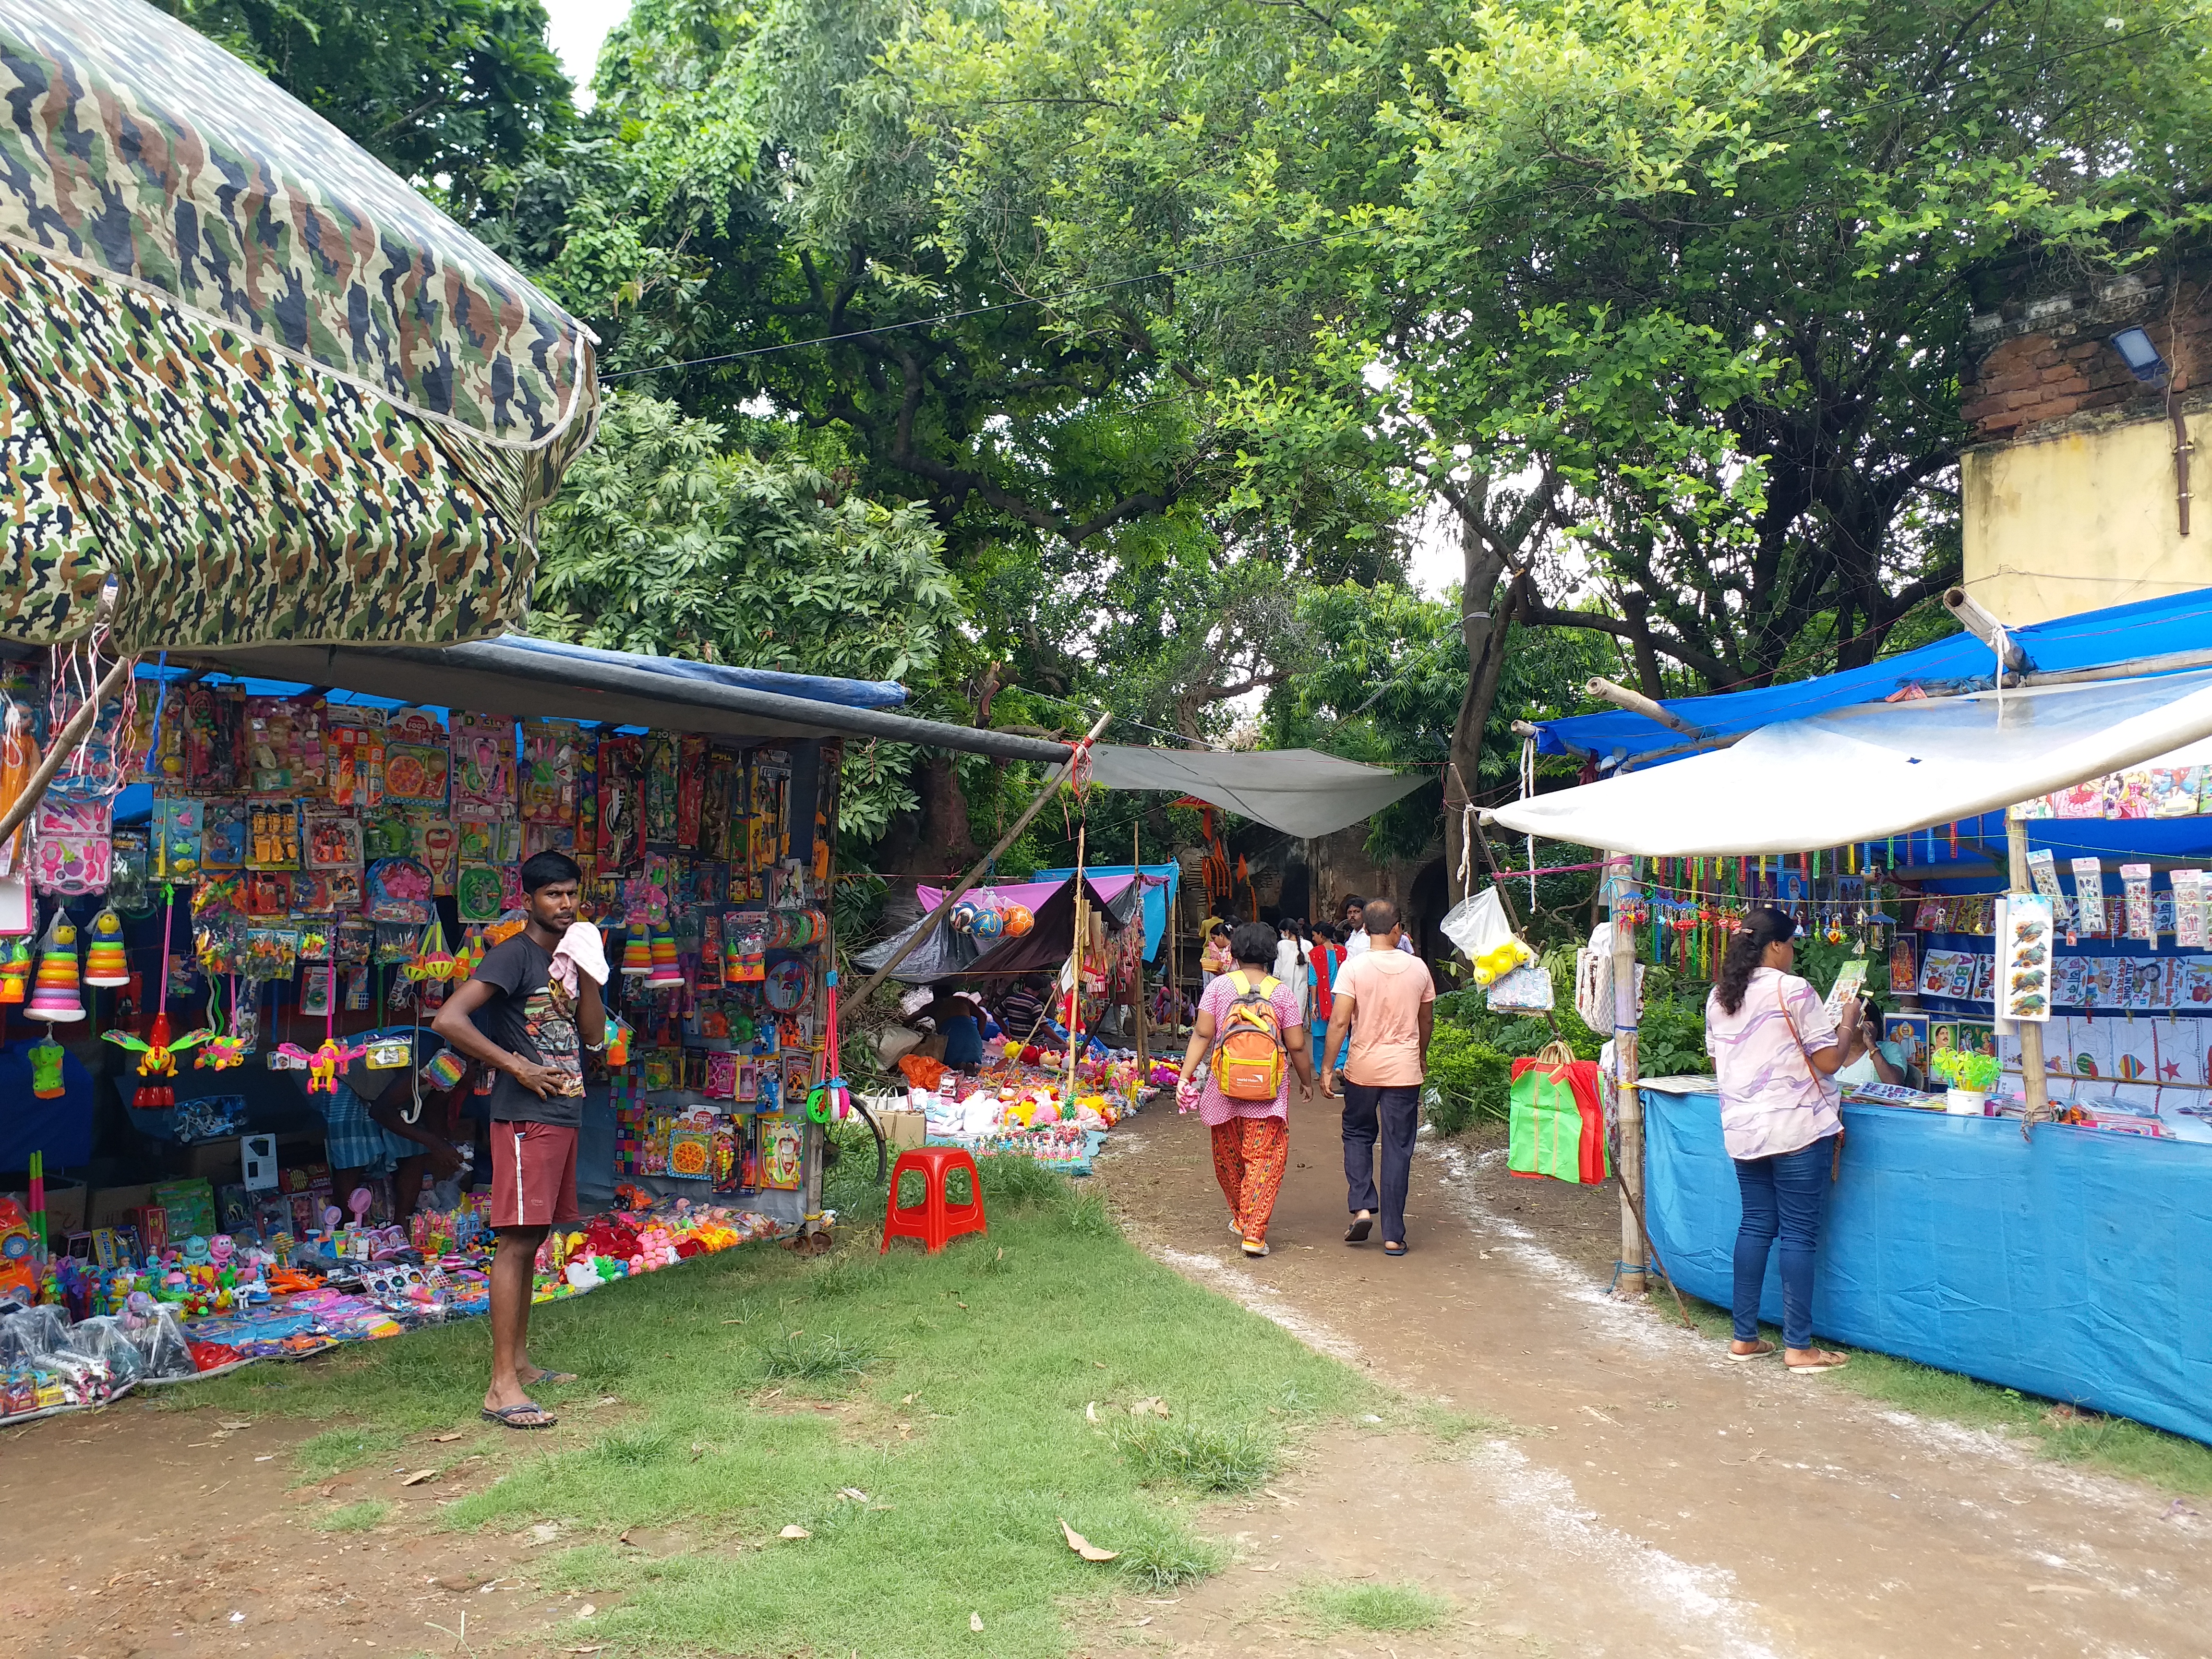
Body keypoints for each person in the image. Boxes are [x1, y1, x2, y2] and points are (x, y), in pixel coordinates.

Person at [433, 851, 605, 1429]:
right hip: (524, 1116)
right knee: (514, 1242)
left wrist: (591, 970)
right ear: (528, 899)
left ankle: (522, 1365)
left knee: (533, 1240)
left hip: (563, 1113)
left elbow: (591, 1035)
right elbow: (449, 1020)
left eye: (571, 895)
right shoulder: (513, 954)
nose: (565, 905)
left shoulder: (567, 957)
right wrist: (518, 1068)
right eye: (554, 895)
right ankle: (500, 1387)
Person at [1704, 904, 1870, 1376]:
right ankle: (1799, 1347)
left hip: (1743, 1129)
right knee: (1798, 1233)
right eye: (1792, 943)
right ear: (1776, 945)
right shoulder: (1793, 990)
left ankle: (1744, 1337)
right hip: (1796, 1128)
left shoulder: (1719, 997)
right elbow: (1831, 1062)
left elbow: (1721, 1061)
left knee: (1755, 1225)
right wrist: (1849, 1020)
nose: (1794, 952)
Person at [1176, 921, 1316, 1259]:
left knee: (1229, 1158)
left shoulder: (1220, 988)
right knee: (1264, 1159)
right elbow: (1296, 1045)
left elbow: (1202, 1034)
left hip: (1223, 1089)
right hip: (1267, 1094)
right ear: (1271, 954)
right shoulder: (1280, 992)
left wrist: (1185, 1075)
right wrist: (1306, 1081)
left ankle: (1243, 1218)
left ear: (1234, 951)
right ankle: (1253, 1232)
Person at [1321, 900, 1435, 1256]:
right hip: (1404, 1071)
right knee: (1398, 1147)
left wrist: (1326, 1068)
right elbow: (1426, 1021)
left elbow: (1339, 1022)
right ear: (1398, 928)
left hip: (1363, 1068)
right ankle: (1393, 1234)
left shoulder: (1354, 968)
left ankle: (1363, 1206)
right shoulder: (1418, 970)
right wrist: (1420, 1054)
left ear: (1366, 929)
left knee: (1357, 1133)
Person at [1832, 996, 1911, 1087]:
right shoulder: (1831, 1050)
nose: (1845, 1025)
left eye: (1852, 1020)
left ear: (1870, 1024)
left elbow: (1894, 1083)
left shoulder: (1890, 1048)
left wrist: (1871, 1045)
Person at [909, 986, 986, 1069]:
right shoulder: (963, 1000)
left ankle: (958, 1067)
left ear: (934, 994)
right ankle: (970, 1067)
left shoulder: (934, 1005)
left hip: (951, 1041)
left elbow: (909, 1020)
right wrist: (978, 1036)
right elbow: (983, 1017)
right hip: (974, 1041)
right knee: (971, 1069)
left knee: (951, 1071)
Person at [1307, 922, 1345, 1073]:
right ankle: (1340, 1064)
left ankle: (1321, 1069)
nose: (1313, 938)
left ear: (1321, 935)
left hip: (1322, 998)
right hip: (1341, 997)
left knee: (1319, 1034)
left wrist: (1314, 1003)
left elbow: (1313, 981)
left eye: (1315, 935)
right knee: (1341, 1030)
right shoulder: (1343, 951)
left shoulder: (1315, 953)